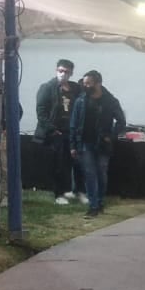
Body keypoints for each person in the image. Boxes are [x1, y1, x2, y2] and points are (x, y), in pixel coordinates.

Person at [69, 70, 126, 218]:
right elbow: (73, 124)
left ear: (98, 83)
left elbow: (121, 121)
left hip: (102, 143)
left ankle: (100, 202)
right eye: (84, 83)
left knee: (101, 173)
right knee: (90, 174)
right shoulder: (81, 100)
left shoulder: (110, 101)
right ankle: (93, 205)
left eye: (89, 83)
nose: (85, 86)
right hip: (85, 143)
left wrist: (111, 136)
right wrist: (73, 145)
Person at [34, 58, 83, 205]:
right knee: (59, 165)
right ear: (56, 70)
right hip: (57, 132)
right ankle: (58, 194)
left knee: (74, 163)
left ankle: (73, 191)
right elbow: (41, 112)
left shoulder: (75, 88)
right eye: (60, 71)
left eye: (66, 72)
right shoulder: (47, 87)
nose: (63, 74)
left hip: (72, 131)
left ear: (71, 73)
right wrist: (52, 129)